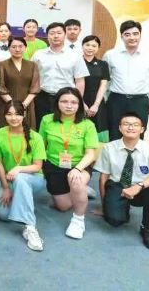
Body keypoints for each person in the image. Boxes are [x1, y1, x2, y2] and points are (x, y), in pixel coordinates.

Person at [94, 112, 149, 251]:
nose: (130, 127)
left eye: (135, 125)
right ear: (120, 128)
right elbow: (103, 177)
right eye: (126, 124)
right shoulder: (109, 148)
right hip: (118, 186)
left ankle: (148, 230)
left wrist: (139, 186)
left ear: (142, 129)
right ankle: (123, 209)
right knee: (114, 220)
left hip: (141, 188)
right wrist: (104, 204)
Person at [39, 87, 98, 239]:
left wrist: (77, 169)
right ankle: (80, 191)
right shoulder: (47, 120)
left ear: (79, 105)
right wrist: (40, 168)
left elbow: (91, 154)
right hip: (54, 165)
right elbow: (40, 146)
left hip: (79, 165)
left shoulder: (87, 124)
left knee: (76, 181)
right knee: (63, 206)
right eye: (64, 101)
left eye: (74, 102)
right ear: (57, 103)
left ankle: (78, 221)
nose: (69, 105)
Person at [0, 101, 47, 251]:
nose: (13, 118)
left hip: (34, 179)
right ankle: (23, 198)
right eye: (9, 114)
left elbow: (37, 166)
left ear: (24, 115)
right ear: (4, 116)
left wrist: (19, 169)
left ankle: (30, 227)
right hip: (9, 180)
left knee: (21, 178)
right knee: (4, 215)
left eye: (17, 114)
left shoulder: (35, 137)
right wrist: (5, 188)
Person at [103, 20, 149, 141]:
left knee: (137, 136)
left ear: (140, 35)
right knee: (114, 133)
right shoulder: (110, 55)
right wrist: (104, 99)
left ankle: (135, 154)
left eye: (135, 34)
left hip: (140, 101)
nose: (132, 37)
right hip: (116, 101)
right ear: (122, 36)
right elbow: (105, 80)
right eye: (127, 34)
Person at [31, 22, 89, 128]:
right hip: (42, 97)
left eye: (59, 33)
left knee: (64, 127)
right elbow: (32, 77)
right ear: (47, 36)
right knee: (42, 126)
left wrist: (78, 100)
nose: (56, 36)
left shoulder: (75, 55)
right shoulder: (38, 54)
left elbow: (80, 81)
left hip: (66, 98)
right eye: (52, 33)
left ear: (64, 34)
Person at [0, 37, 40, 129]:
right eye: (14, 47)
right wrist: (12, 105)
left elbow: (35, 87)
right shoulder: (1, 65)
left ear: (25, 47)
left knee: (26, 131)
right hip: (6, 104)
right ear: (9, 48)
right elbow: (0, 87)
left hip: (27, 103)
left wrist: (24, 105)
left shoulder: (32, 65)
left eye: (20, 46)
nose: (17, 49)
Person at [81, 35, 110, 142]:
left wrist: (96, 105)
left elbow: (103, 84)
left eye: (94, 46)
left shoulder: (103, 64)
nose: (90, 48)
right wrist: (82, 104)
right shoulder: (75, 62)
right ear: (82, 46)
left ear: (98, 48)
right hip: (78, 102)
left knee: (99, 130)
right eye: (87, 45)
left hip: (97, 103)